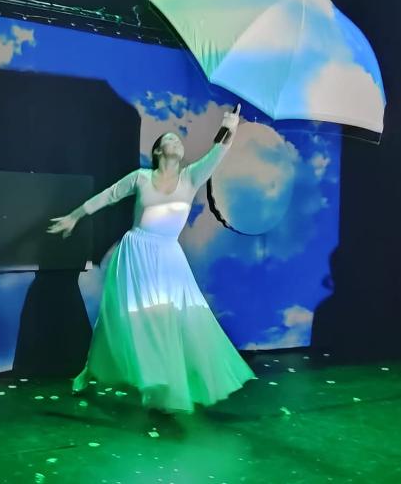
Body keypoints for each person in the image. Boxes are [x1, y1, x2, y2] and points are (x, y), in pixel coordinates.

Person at [48, 105, 255, 413]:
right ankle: (90, 371)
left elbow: (218, 151)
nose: (176, 142)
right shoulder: (141, 178)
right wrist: (74, 216)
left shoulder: (190, 177)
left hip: (169, 258)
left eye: (178, 140)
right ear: (158, 151)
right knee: (124, 320)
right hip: (136, 254)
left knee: (173, 318)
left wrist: (230, 126)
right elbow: (108, 195)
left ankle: (160, 383)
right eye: (169, 139)